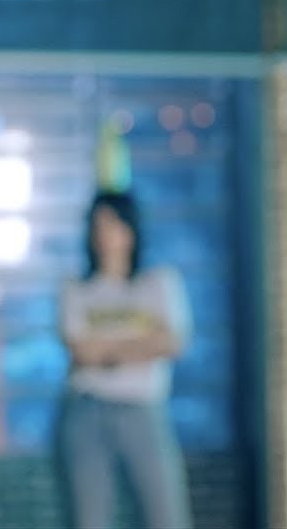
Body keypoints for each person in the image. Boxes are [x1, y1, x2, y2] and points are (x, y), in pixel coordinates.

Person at [57, 192, 194, 529]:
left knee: (165, 517)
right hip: (86, 412)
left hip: (142, 411)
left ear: (131, 230)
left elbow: (172, 342)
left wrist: (106, 351)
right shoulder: (76, 288)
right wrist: (141, 344)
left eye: (113, 225)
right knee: (88, 520)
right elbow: (81, 352)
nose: (104, 235)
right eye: (97, 226)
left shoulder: (158, 282)